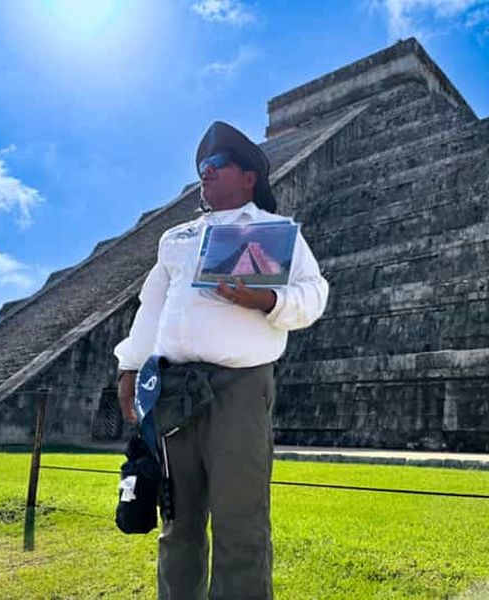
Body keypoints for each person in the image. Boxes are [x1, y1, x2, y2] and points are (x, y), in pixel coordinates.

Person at [114, 120, 329, 600]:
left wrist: (267, 301)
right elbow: (152, 308)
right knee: (177, 520)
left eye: (215, 164)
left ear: (249, 177)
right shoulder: (176, 238)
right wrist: (130, 366)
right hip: (173, 389)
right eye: (201, 168)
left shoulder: (274, 232)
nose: (204, 173)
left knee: (240, 521)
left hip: (240, 387)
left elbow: (314, 292)